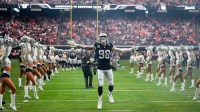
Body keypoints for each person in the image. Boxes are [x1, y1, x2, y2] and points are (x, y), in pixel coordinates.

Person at [68, 33, 133, 109]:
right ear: (99, 38)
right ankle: (100, 99)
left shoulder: (110, 45)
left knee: (111, 83)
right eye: (101, 37)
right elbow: (85, 46)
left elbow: (120, 49)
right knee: (100, 85)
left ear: (106, 38)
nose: (103, 38)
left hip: (108, 68)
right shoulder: (97, 45)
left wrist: (130, 49)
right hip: (100, 69)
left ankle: (110, 94)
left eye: (104, 37)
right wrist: (76, 44)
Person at [0, 37, 17, 110]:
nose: (2, 51)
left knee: (2, 91)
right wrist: (7, 45)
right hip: (5, 76)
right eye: (1, 51)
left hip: (6, 75)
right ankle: (12, 105)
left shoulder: (5, 57)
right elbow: (6, 53)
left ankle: (0, 105)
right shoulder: (2, 58)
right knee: (14, 89)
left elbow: (8, 52)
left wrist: (10, 45)